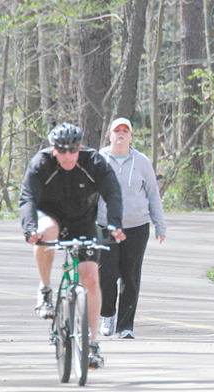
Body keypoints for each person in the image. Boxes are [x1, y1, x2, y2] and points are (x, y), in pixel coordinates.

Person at [19, 122, 126, 368]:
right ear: (53, 148)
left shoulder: (94, 162)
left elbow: (112, 192)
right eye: (62, 149)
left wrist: (115, 224)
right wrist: (29, 229)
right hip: (50, 216)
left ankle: (91, 344)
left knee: (90, 276)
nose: (68, 155)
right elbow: (27, 197)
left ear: (80, 147)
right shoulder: (41, 163)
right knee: (47, 231)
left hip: (83, 221)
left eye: (73, 149)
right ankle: (45, 289)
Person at [97, 118, 167, 339]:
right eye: (116, 130)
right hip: (105, 226)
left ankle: (125, 326)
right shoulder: (99, 160)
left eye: (125, 131)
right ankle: (107, 314)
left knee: (130, 276)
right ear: (110, 136)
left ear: (131, 137)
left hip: (137, 227)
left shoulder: (142, 162)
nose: (120, 134)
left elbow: (152, 193)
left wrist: (159, 224)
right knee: (105, 273)